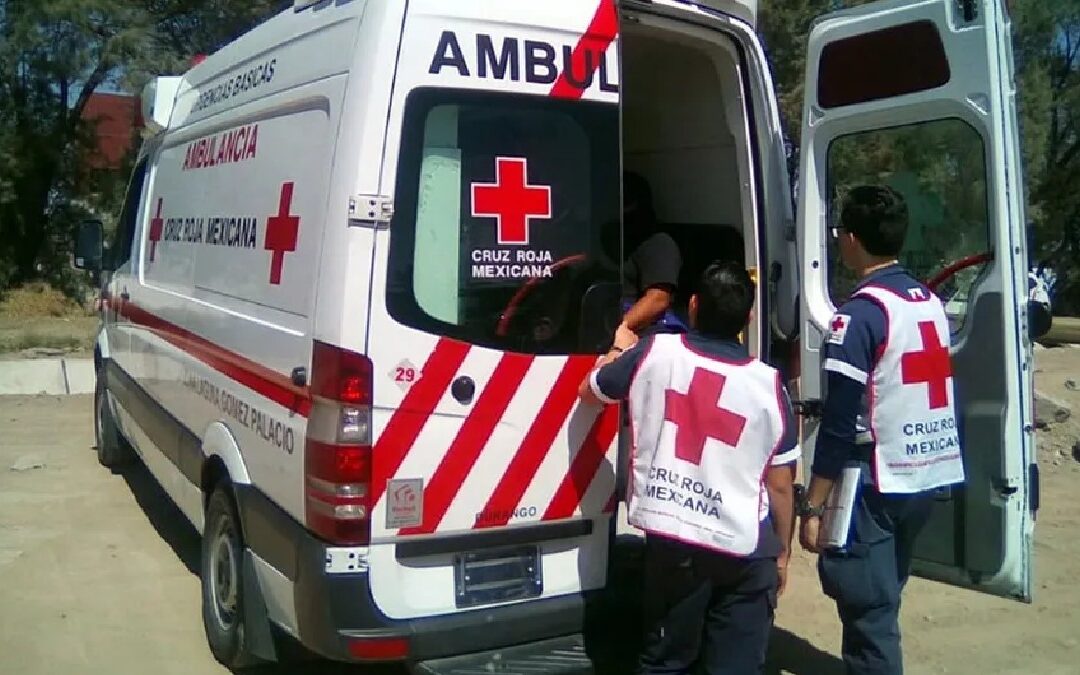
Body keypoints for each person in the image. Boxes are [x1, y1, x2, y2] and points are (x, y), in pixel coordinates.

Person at [580, 260, 799, 674]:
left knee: (667, 661)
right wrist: (782, 554)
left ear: (693, 305)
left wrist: (618, 346)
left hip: (676, 543)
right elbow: (781, 484)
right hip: (745, 551)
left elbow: (593, 390)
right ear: (749, 317)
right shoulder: (770, 384)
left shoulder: (655, 352)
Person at [797, 185, 966, 675]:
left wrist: (814, 504)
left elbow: (837, 425)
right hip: (927, 473)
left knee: (867, 614)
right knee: (884, 594)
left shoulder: (859, 316)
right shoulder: (927, 301)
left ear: (851, 239)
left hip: (875, 479)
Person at [618, 171, 685, 340]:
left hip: (639, 337)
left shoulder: (658, 243)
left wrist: (616, 332)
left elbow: (658, 299)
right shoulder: (615, 242)